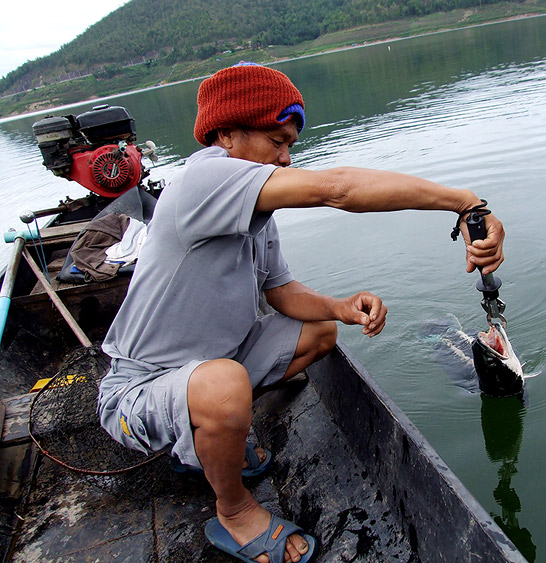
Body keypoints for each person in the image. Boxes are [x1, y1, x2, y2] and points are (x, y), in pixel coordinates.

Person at [97, 62, 506, 563]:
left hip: (212, 366)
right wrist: (462, 202)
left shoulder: (255, 212)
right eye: (277, 141)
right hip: (137, 394)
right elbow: (338, 188)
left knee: (319, 332)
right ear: (225, 135)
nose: (287, 159)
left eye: (290, 145)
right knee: (223, 386)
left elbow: (282, 291)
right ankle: (233, 508)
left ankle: (212, 433)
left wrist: (341, 307)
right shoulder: (203, 180)